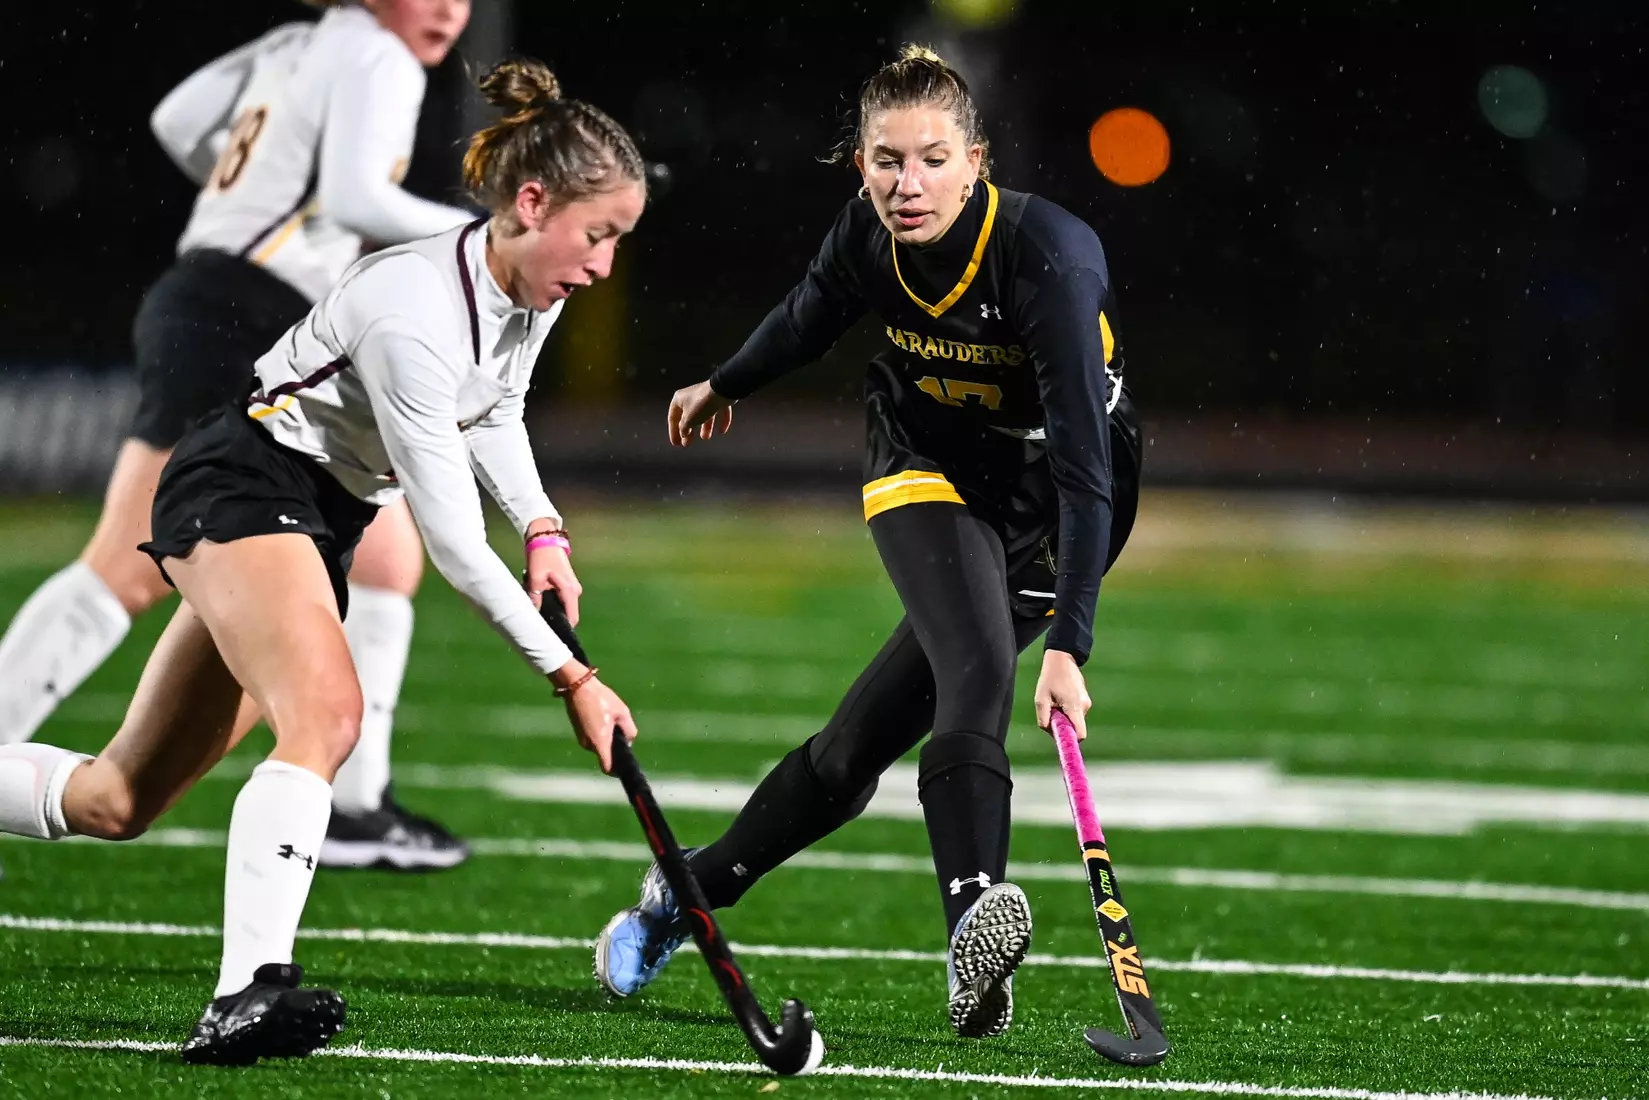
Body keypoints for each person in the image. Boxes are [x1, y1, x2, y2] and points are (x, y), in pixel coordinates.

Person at [0, 58, 646, 1065]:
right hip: (244, 483)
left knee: (115, 798)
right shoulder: (411, 307)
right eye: (597, 234)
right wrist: (572, 676)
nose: (603, 264)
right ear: (532, 201)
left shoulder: (532, 286)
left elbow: (501, 409)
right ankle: (245, 992)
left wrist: (545, 527)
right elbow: (449, 544)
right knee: (327, 715)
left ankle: (241, 985)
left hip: (315, 514)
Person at [594, 45, 1142, 1040]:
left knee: (853, 753)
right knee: (973, 669)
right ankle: (974, 919)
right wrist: (724, 382)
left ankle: (685, 890)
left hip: (1053, 499)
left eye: (931, 159)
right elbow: (809, 315)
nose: (907, 184)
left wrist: (1070, 639)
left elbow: (1082, 466)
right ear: (858, 164)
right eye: (886, 160)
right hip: (922, 463)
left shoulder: (1046, 257)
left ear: (975, 159)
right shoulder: (866, 236)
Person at [0, 0, 481, 871]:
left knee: (382, 558)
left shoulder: (299, 43)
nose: (449, 8)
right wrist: (483, 237)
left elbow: (178, 120)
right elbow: (354, 197)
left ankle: (355, 801)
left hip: (210, 292)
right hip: (246, 308)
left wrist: (246, 201)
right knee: (122, 568)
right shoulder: (379, 56)